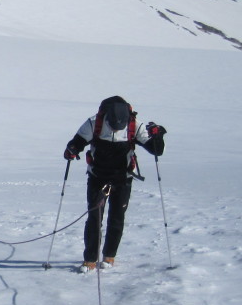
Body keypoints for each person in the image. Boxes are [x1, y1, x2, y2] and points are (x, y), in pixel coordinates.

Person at [64, 96, 166, 271]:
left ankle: (109, 257)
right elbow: (77, 142)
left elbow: (156, 150)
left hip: (123, 178)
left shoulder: (135, 125)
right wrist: (72, 150)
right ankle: (90, 260)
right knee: (95, 218)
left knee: (117, 218)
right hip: (97, 176)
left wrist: (158, 136)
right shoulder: (94, 123)